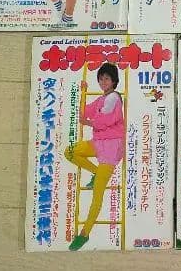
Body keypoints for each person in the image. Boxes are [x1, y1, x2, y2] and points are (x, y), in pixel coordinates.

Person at [65, 62, 125, 250]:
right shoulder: (101, 99)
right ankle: (95, 172)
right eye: (100, 79)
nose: (103, 82)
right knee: (70, 152)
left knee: (97, 195)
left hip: (112, 147)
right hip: (99, 143)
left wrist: (89, 123)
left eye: (106, 78)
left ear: (113, 81)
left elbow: (104, 120)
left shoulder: (114, 97)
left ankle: (85, 234)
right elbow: (84, 112)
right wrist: (83, 92)